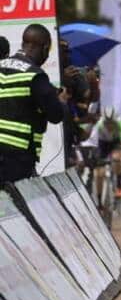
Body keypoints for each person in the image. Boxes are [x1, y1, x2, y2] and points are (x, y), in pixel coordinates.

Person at [0, 24, 66, 182]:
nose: (47, 56)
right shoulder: (35, 75)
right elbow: (56, 115)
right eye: (48, 51)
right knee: (13, 204)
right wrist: (62, 101)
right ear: (43, 47)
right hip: (16, 155)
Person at [83, 106, 121, 200]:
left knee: (117, 159)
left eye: (112, 123)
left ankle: (119, 186)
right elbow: (89, 139)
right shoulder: (99, 124)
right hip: (102, 144)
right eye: (107, 123)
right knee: (99, 174)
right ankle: (100, 200)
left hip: (115, 143)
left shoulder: (120, 122)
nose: (109, 126)